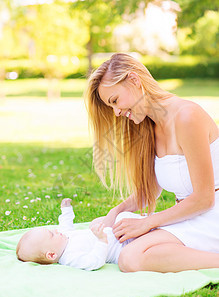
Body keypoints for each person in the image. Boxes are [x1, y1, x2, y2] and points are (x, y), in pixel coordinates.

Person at [84, 52, 219, 273]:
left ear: (135, 81)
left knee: (130, 258)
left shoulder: (187, 116)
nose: (116, 112)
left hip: (212, 214)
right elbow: (149, 191)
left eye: (115, 101)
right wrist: (115, 213)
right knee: (120, 227)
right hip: (192, 215)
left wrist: (149, 222)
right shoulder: (150, 127)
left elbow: (204, 198)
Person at [16, 198, 135, 271]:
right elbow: (94, 262)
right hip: (120, 246)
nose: (56, 231)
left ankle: (147, 220)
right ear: (52, 255)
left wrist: (66, 210)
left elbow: (65, 224)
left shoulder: (62, 238)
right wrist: (101, 241)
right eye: (52, 234)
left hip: (115, 232)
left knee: (119, 218)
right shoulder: (70, 258)